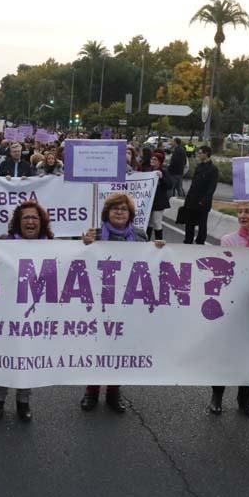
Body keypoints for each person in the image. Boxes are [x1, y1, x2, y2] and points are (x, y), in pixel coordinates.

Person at [80, 193, 164, 412]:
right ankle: (92, 391)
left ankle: (114, 392)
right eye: (115, 208)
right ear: (107, 212)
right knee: (98, 346)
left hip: (127, 301)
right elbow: (80, 261)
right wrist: (85, 245)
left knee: (120, 347)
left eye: (123, 209)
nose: (119, 212)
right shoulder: (95, 234)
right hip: (100, 300)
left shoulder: (139, 236)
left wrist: (159, 251)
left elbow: (149, 266)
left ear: (130, 214)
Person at [0, 200, 54, 421]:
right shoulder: (4, 243)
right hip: (7, 312)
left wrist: (87, 243)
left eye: (34, 218)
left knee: (28, 357)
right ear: (18, 223)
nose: (30, 221)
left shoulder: (52, 245)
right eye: (25, 218)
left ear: (41, 222)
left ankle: (24, 402)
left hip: (35, 313)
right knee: (6, 356)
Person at [209, 201, 249, 417]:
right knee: (226, 351)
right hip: (232, 304)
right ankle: (217, 395)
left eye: (247, 211)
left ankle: (244, 398)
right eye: (240, 212)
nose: (242, 215)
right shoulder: (228, 240)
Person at [182, 145, 217, 245]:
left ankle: (200, 242)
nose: (198, 154)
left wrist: (204, 200)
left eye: (200, 153)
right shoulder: (199, 166)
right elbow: (194, 184)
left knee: (202, 224)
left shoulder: (213, 169)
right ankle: (188, 241)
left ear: (206, 154)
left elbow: (212, 188)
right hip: (192, 199)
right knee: (189, 223)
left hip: (203, 202)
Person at [147, 152, 170, 241]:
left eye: (155, 159)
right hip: (149, 201)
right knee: (149, 223)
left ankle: (159, 241)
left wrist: (162, 178)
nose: (152, 161)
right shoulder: (148, 170)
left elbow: (169, 185)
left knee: (157, 222)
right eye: (151, 159)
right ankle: (146, 241)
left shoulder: (164, 172)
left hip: (159, 201)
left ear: (159, 162)